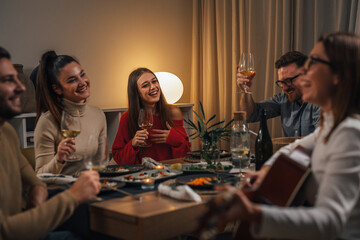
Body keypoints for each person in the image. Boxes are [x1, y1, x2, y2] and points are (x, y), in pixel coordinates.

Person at [209, 32, 360, 239]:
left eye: (313, 63)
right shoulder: (332, 125)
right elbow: (291, 148)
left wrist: (253, 213)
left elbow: (330, 223)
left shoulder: (350, 133)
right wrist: (267, 171)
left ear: (338, 75)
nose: (306, 72)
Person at [0, 46, 101, 239]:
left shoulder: (7, 133)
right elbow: (5, 231)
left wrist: (37, 190)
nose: (21, 87)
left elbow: (35, 181)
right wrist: (73, 195)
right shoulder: (46, 121)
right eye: (7, 80)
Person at [34, 51, 107, 174]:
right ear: (57, 89)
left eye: (82, 75)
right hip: (62, 190)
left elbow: (101, 163)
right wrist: (59, 159)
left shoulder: (98, 115)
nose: (82, 83)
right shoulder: (47, 122)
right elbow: (40, 175)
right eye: (72, 80)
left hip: (93, 186)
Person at [112, 67, 191, 164]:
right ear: (136, 92)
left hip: (171, 172)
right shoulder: (127, 118)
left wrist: (175, 139)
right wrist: (132, 144)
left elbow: (187, 156)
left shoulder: (173, 112)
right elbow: (119, 159)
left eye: (154, 81)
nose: (153, 87)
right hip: (142, 175)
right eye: (145, 85)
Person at [237, 51, 320, 137]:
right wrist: (245, 90)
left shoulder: (322, 99)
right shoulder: (283, 99)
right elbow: (250, 115)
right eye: (281, 82)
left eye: (289, 80)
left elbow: (323, 140)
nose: (285, 87)